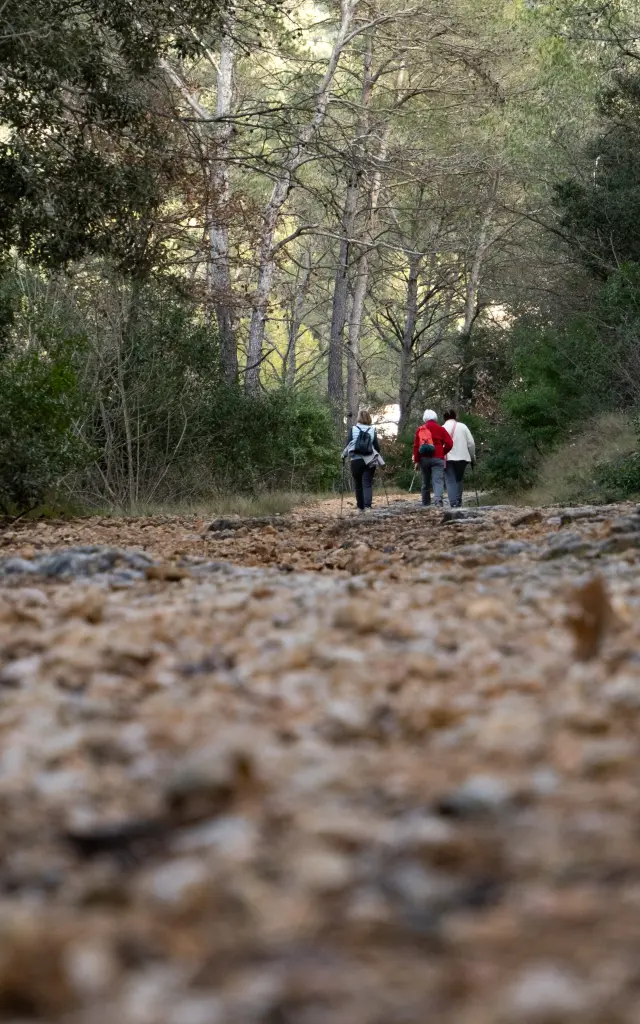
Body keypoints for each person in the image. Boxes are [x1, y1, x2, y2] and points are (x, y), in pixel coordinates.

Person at [343, 408, 382, 513]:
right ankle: (368, 506)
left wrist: (344, 455)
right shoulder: (372, 430)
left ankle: (360, 508)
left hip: (356, 460)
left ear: (358, 418)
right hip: (369, 460)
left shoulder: (353, 429)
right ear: (369, 418)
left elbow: (348, 445)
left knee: (358, 484)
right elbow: (377, 448)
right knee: (367, 483)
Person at [412, 409, 453, 507]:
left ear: (425, 418)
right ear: (435, 418)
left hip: (424, 458)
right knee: (438, 481)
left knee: (425, 481)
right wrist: (442, 452)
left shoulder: (421, 429)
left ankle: (425, 503)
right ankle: (438, 501)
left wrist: (417, 461)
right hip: (438, 458)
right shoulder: (441, 429)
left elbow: (416, 446)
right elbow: (450, 443)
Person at [442, 408, 476, 508]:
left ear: (444, 418)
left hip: (448, 458)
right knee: (459, 479)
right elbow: (471, 443)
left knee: (450, 480)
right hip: (462, 458)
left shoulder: (442, 428)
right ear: (455, 416)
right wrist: (472, 456)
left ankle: (453, 503)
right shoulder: (463, 426)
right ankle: (458, 501)